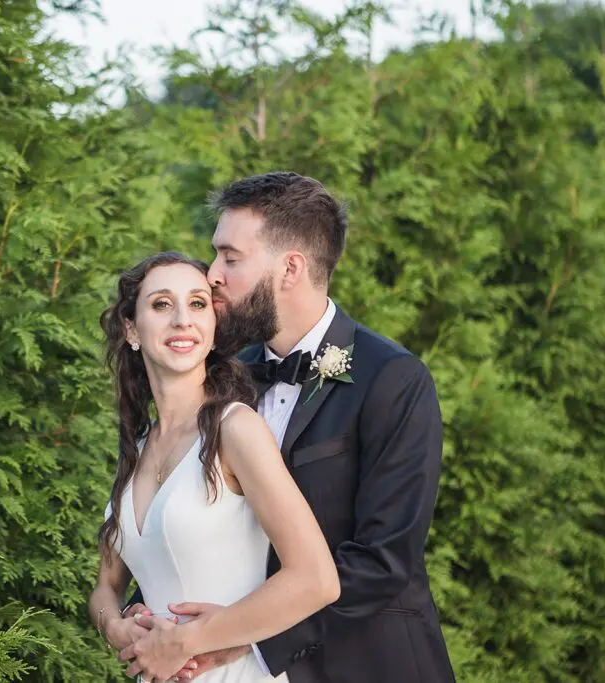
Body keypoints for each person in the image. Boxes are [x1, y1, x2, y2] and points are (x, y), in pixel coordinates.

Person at [122, 173, 456, 683]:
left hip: (368, 665)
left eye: (230, 258)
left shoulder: (393, 380)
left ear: (290, 269)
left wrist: (243, 638)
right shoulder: (229, 376)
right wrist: (149, 612)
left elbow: (384, 560)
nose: (212, 275)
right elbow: (197, 519)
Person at [88, 251, 341, 683]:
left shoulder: (236, 429)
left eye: (197, 303)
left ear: (212, 327)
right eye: (162, 304)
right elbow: (105, 588)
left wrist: (186, 641)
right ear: (132, 328)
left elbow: (317, 579)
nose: (182, 320)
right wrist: (115, 627)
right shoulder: (138, 447)